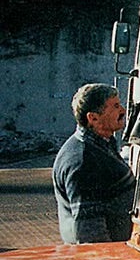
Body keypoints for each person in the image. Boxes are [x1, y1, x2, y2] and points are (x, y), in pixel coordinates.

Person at [53, 83, 135, 244]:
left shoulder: (100, 145)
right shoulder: (83, 161)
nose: (123, 111)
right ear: (93, 118)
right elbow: (90, 233)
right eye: (115, 106)